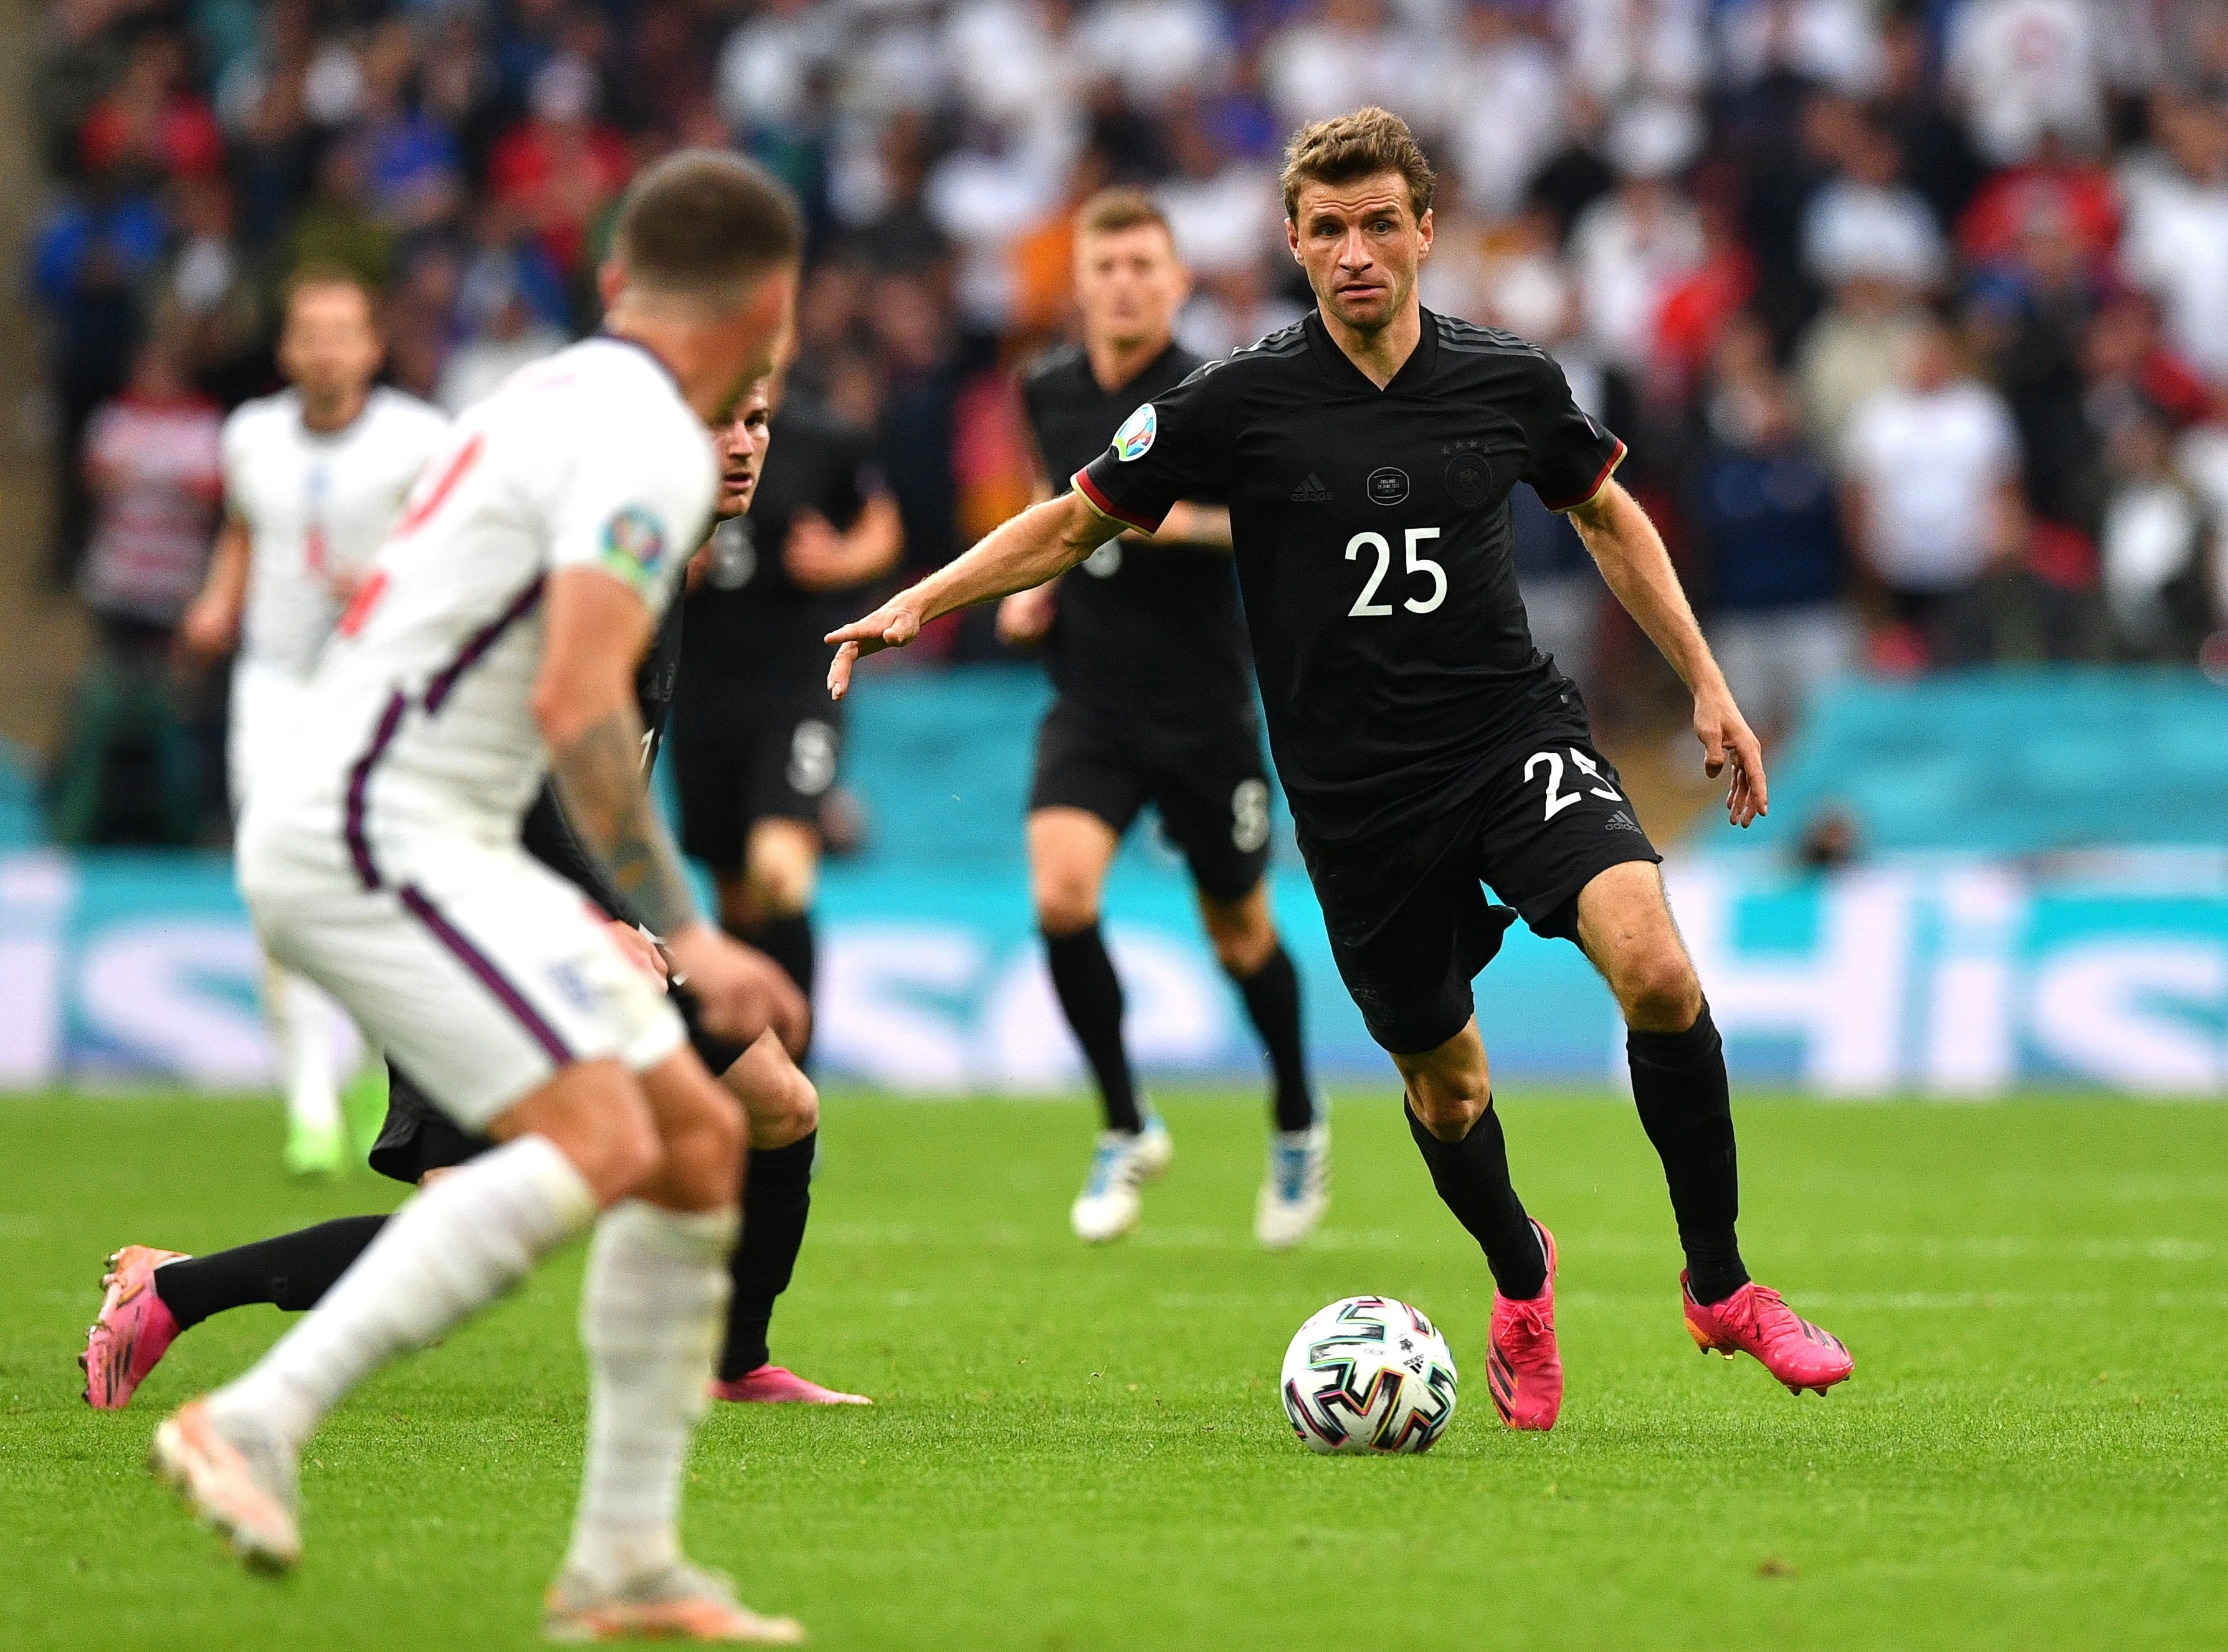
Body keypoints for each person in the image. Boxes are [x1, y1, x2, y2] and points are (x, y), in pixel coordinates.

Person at [828, 108, 1854, 1432]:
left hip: (1509, 737)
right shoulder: (1235, 403)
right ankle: (1520, 1275)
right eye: (1327, 229)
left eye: (1380, 223)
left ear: (1427, 229)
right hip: (1358, 800)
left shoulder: (1509, 379)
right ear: (1295, 244)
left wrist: (1708, 684)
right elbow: (1077, 518)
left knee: (1656, 967)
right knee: (1450, 1083)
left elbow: (1605, 510)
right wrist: (926, 599)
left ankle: (1721, 1285)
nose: (1356, 251)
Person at [145, 151, 814, 1643]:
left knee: (701, 1136)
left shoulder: (545, 390)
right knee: (605, 1138)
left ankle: (624, 1561)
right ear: (768, 306)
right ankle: (255, 1414)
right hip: (380, 833)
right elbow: (582, 706)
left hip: (398, 817)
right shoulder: (648, 440)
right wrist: (686, 927)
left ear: (619, 284)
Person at [85, 381, 867, 1422]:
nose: (742, 445)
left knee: (776, 1101)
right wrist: (605, 910)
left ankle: (732, 1358)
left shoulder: (660, 556)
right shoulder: (599, 565)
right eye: (717, 421)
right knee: (466, 1230)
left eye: (759, 421)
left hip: (545, 911)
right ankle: (174, 1291)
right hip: (465, 913)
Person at [994, 187, 1326, 1248]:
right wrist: (1035, 582)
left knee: (1238, 932)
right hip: (1090, 696)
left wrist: (1166, 524)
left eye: (1147, 265)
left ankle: (1294, 1116)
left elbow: (1275, 527)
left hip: (1202, 708)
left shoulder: (1212, 391)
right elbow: (1060, 498)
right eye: (1108, 266)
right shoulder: (1045, 387)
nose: (1127, 283)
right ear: (1080, 282)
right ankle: (1126, 1121)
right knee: (1059, 892)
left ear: (1178, 281)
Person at [178, 267, 452, 1177]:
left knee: (372, 890)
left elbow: (454, 553)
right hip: (273, 685)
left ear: (374, 345)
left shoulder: (418, 439)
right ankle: (307, 1106)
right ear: (288, 346)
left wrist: (385, 586)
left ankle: (391, 1067)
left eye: (343, 331)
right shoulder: (249, 436)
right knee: (271, 888)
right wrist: (218, 602)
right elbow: (245, 531)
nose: (324, 349)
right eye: (309, 332)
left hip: (375, 687)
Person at [667, 374, 902, 1037]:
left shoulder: (826, 437)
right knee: (737, 899)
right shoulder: (666, 441)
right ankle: (755, 1071)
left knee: (779, 872)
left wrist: (841, 559)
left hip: (799, 684)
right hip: (702, 693)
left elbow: (884, 530)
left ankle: (798, 1073)